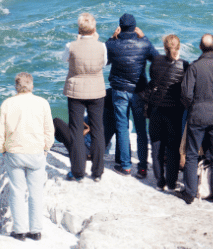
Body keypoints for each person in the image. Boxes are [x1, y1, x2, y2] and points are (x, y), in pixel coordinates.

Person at [0, 72, 54, 240]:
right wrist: (46, 148)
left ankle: (19, 231)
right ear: (31, 85)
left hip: (14, 153)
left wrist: (1, 149)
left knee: (17, 191)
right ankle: (35, 231)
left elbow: (0, 130)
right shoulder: (42, 103)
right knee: (36, 192)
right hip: (36, 152)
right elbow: (49, 130)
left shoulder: (7, 103)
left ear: (16, 86)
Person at [180, 34, 213, 204]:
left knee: (192, 153)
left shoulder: (194, 67)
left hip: (198, 115)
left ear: (200, 47)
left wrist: (193, 107)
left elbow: (186, 94)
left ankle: (189, 192)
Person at [106, 13, 158, 177]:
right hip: (139, 91)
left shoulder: (112, 44)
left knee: (122, 127)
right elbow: (157, 59)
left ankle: (125, 166)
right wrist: (145, 38)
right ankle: (142, 168)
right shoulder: (144, 44)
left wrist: (112, 39)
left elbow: (104, 60)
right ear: (135, 27)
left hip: (120, 90)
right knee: (141, 129)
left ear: (120, 27)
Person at [62, 12, 107, 182]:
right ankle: (97, 172)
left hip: (76, 91)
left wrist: (77, 41)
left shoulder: (71, 45)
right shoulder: (101, 46)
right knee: (97, 130)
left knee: (76, 130)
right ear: (94, 29)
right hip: (96, 90)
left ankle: (78, 171)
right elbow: (103, 63)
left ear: (79, 30)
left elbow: (64, 59)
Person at [147, 34, 189, 191]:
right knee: (172, 147)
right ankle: (171, 182)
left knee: (157, 145)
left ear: (164, 47)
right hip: (174, 113)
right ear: (179, 47)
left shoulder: (156, 61)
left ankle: (159, 180)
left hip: (156, 109)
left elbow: (152, 80)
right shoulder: (184, 65)